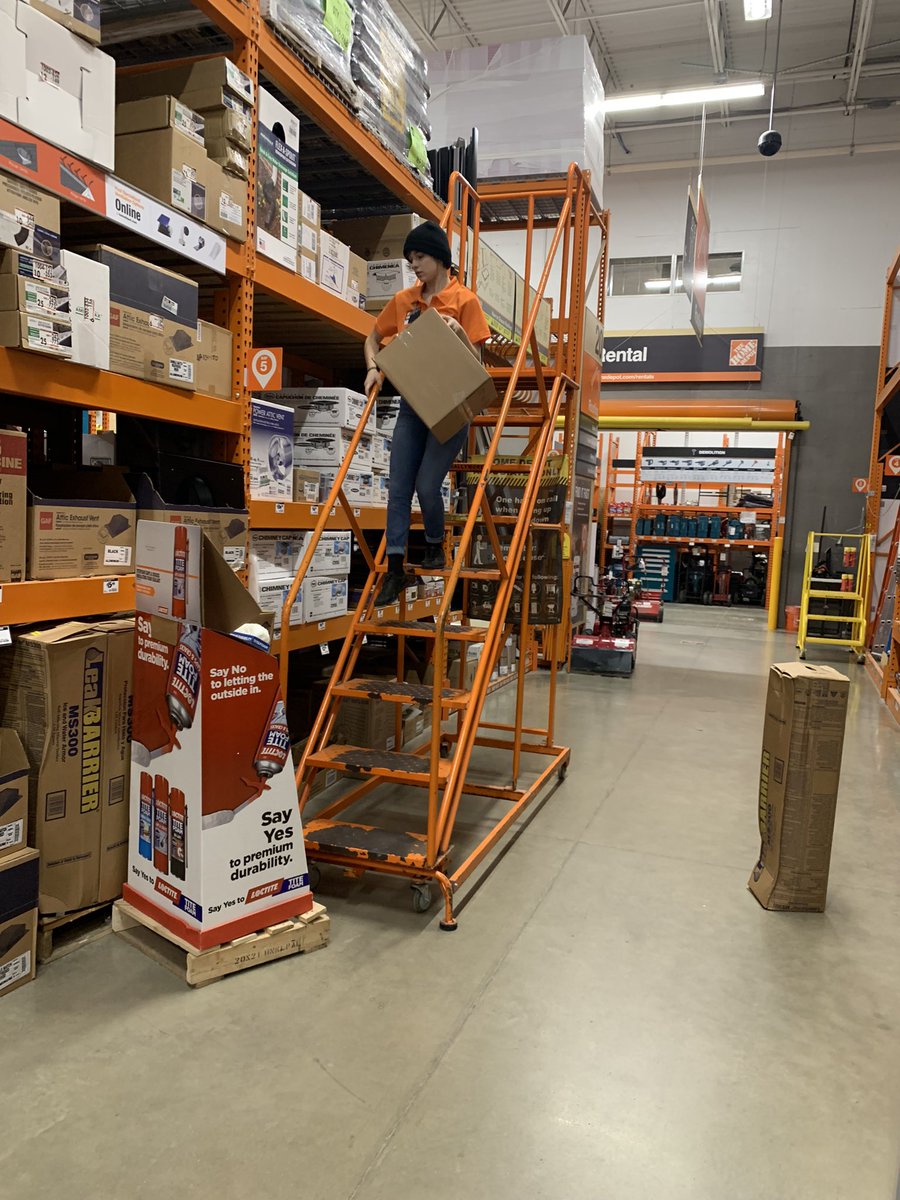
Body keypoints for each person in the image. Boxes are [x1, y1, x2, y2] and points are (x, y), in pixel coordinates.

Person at [364, 221, 491, 605]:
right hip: (412, 403)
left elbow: (478, 366)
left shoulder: (465, 301)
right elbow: (372, 336)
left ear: (439, 257)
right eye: (410, 259)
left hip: (452, 405)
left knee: (425, 485)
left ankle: (436, 544)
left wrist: (457, 332)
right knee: (398, 489)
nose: (414, 265)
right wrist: (373, 367)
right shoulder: (404, 301)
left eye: (419, 257)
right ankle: (396, 570)